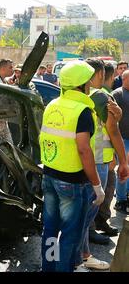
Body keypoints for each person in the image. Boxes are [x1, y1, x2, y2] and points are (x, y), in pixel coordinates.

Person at [40, 60, 104, 272]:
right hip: (71, 181)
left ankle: (48, 269)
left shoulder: (52, 105)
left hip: (49, 176)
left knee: (50, 230)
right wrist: (97, 185)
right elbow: (84, 150)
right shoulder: (83, 111)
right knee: (70, 233)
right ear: (82, 84)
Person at [74, 58, 128, 271]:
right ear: (99, 75)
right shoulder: (100, 97)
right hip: (97, 162)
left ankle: (83, 254)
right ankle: (79, 257)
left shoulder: (75, 96)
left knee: (84, 214)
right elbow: (112, 130)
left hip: (81, 160)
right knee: (87, 213)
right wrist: (123, 160)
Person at [94, 62, 122, 236]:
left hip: (98, 154)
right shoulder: (104, 97)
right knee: (104, 192)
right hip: (102, 155)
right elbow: (111, 130)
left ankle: (99, 223)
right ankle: (99, 223)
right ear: (109, 77)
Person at [112, 70, 129, 214]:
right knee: (123, 169)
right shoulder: (117, 94)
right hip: (123, 138)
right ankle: (120, 200)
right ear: (124, 79)